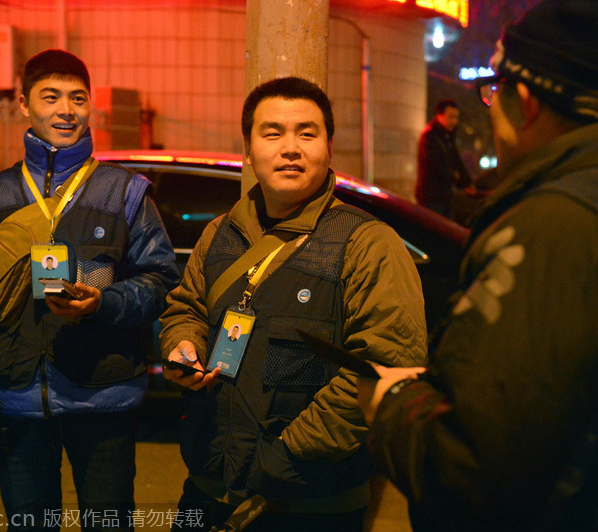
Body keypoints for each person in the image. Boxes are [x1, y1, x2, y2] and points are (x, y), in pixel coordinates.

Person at [358, 0, 598, 530]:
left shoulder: (562, 230)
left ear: (526, 101)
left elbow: (473, 475)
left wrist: (393, 402)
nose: (490, 111)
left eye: (494, 93)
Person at [159, 76, 427, 531]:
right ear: (248, 149)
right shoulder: (221, 232)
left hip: (310, 503)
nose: (290, 148)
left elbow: (382, 366)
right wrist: (183, 344)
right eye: (273, 133)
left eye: (307, 132)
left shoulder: (367, 243)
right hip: (209, 487)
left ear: (328, 147)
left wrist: (281, 455)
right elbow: (186, 308)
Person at [0, 49, 180, 531]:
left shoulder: (125, 193)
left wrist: (103, 303)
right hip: (13, 397)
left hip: (103, 395)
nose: (66, 110)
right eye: (51, 97)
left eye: (77, 98)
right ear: (24, 104)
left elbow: (161, 281)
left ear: (90, 107)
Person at [414, 99, 472, 218]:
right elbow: (433, 165)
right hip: (431, 197)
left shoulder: (447, 136)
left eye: (456, 117)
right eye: (450, 117)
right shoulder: (430, 136)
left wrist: (468, 183)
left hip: (445, 196)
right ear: (439, 116)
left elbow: (456, 160)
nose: (454, 121)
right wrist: (454, 176)